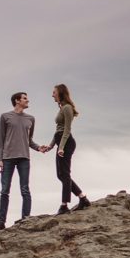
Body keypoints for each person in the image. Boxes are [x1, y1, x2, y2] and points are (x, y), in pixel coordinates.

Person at [40, 83, 90, 214]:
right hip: (61, 143)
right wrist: (51, 146)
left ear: (60, 93)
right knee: (60, 175)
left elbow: (67, 130)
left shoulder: (67, 108)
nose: (52, 95)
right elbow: (58, 130)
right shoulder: (62, 108)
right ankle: (82, 198)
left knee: (65, 174)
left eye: (54, 92)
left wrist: (61, 147)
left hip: (67, 143)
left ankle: (64, 205)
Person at [0, 91, 44, 229]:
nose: (27, 100)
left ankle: (26, 219)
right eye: (25, 98)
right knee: (5, 190)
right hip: (7, 158)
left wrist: (38, 148)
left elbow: (29, 141)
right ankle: (1, 222)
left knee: (25, 189)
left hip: (24, 158)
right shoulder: (5, 117)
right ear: (17, 101)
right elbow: (1, 139)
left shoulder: (31, 119)